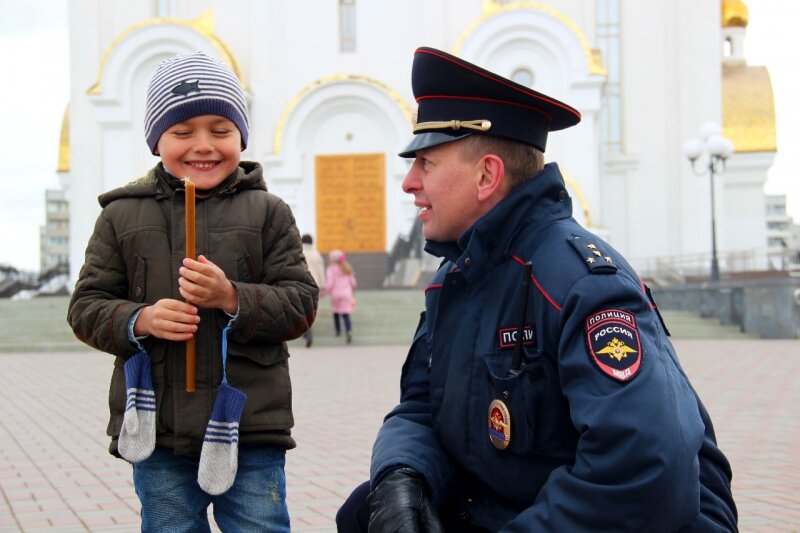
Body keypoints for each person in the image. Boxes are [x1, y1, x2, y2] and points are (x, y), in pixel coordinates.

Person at [337, 47, 738, 532]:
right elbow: (422, 406)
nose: (408, 183)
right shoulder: (457, 279)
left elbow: (644, 471)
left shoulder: (581, 283)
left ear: (487, 174)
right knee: (369, 513)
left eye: (425, 163)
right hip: (517, 500)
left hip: (634, 519)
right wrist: (402, 475)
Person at [67, 51, 318, 532]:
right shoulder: (121, 215)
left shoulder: (268, 211)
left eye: (221, 130)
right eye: (183, 132)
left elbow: (301, 304)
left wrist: (233, 298)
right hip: (157, 428)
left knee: (259, 525)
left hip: (249, 425)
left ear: (241, 137)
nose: (203, 145)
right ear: (156, 139)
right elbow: (86, 307)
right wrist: (139, 320)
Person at [321, 249, 357, 344]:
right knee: (346, 313)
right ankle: (348, 331)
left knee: (336, 312)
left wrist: (323, 293)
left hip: (335, 294)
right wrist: (352, 290)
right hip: (346, 294)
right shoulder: (347, 268)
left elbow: (330, 284)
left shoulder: (330, 269)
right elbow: (353, 282)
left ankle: (338, 331)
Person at [301, 233, 326, 347]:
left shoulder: (299, 253)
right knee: (310, 310)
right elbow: (321, 271)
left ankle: (307, 333)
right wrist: (322, 284)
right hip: (314, 285)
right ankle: (306, 332)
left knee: (301, 309)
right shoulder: (316, 254)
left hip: (301, 284)